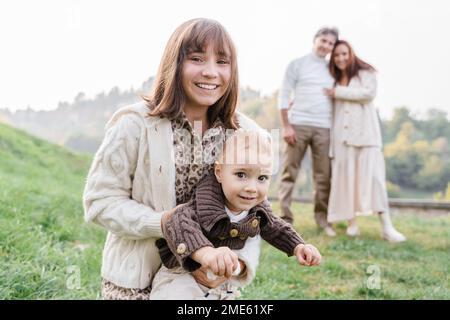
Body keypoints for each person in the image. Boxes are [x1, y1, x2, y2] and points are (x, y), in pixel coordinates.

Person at [82, 18, 267, 300]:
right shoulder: (133, 125)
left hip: (211, 286)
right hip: (134, 283)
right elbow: (100, 202)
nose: (210, 72)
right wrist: (164, 223)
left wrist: (237, 265)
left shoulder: (248, 134)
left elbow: (255, 213)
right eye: (196, 58)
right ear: (175, 63)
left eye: (222, 62)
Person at [150, 130, 322, 300]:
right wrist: (206, 253)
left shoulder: (257, 208)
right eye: (241, 175)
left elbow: (276, 227)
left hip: (219, 280)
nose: (252, 188)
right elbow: (177, 220)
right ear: (219, 172)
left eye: (262, 178)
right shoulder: (206, 202)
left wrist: (298, 246)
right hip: (182, 273)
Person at [324, 40, 406, 242]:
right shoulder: (332, 78)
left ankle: (387, 227)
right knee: (345, 180)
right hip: (342, 139)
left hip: (366, 136)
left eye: (344, 53)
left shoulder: (365, 72)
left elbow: (368, 94)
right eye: (336, 55)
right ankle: (351, 223)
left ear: (351, 53)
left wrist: (339, 93)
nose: (341, 58)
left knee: (375, 180)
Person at [278, 27, 339, 236]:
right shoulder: (298, 64)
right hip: (298, 125)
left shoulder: (333, 69)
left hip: (324, 127)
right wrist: (286, 125)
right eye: (323, 41)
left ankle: (322, 219)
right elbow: (284, 94)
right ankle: (285, 219)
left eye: (331, 43)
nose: (326, 46)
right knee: (289, 173)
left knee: (324, 175)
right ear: (315, 40)